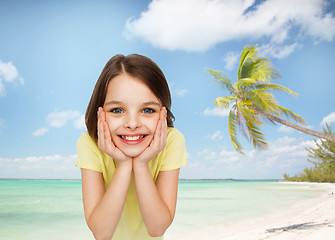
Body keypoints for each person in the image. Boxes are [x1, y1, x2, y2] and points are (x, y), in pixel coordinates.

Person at [75, 54, 187, 240]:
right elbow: (101, 233)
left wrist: (141, 165)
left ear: (163, 113)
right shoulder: (89, 143)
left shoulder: (172, 141)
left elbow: (157, 228)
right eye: (117, 110)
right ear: (100, 112)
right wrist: (124, 164)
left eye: (147, 110)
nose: (132, 123)